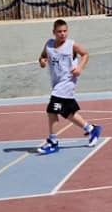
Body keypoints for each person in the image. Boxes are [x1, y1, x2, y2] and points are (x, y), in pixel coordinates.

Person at [36, 19, 101, 154]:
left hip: (67, 83)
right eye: (59, 31)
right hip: (56, 83)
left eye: (65, 31)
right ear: (54, 32)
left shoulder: (71, 45)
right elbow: (42, 57)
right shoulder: (49, 45)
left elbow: (86, 54)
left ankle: (53, 142)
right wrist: (42, 62)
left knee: (52, 110)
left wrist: (79, 68)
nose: (62, 34)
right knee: (68, 113)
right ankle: (91, 129)